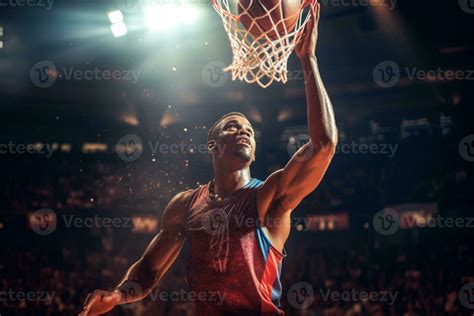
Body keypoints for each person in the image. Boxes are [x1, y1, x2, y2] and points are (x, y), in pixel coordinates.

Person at [80, 3, 337, 315]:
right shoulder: (185, 205)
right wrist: (118, 296)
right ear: (213, 145)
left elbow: (323, 145)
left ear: (254, 151)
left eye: (249, 131)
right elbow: (149, 269)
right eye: (233, 127)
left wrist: (308, 60)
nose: (243, 132)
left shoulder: (269, 195)